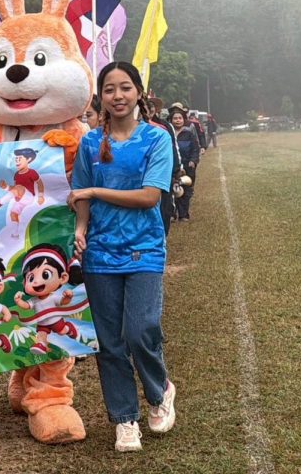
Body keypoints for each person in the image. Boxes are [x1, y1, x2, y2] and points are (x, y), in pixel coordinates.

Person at [69, 62, 177, 453]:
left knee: (140, 330)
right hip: (100, 254)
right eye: (110, 89)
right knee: (110, 343)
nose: (118, 95)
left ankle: (160, 390)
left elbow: (150, 196)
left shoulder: (156, 138)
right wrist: (81, 229)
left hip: (144, 248)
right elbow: (80, 193)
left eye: (125, 87)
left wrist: (96, 193)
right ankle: (125, 419)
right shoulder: (89, 143)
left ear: (139, 93)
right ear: (101, 96)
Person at [147, 97, 181, 236]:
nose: (149, 108)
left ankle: (162, 238)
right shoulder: (132, 127)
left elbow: (173, 149)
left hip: (164, 175)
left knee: (165, 209)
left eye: (151, 106)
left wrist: (176, 170)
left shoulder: (164, 127)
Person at [168, 105, 200, 222]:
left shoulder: (189, 134)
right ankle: (171, 214)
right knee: (171, 190)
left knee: (186, 191)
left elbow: (195, 149)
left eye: (180, 118)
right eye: (175, 118)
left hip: (187, 167)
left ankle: (183, 214)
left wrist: (193, 160)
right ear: (171, 120)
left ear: (183, 120)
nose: (178, 120)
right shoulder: (167, 134)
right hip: (171, 167)